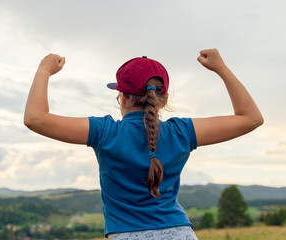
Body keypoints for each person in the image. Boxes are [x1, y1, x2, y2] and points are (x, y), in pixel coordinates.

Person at [24, 49, 263, 239]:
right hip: (180, 233)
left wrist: (44, 70)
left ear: (123, 97)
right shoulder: (181, 132)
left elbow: (35, 119)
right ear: (163, 99)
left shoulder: (105, 132)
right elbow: (251, 118)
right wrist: (221, 68)